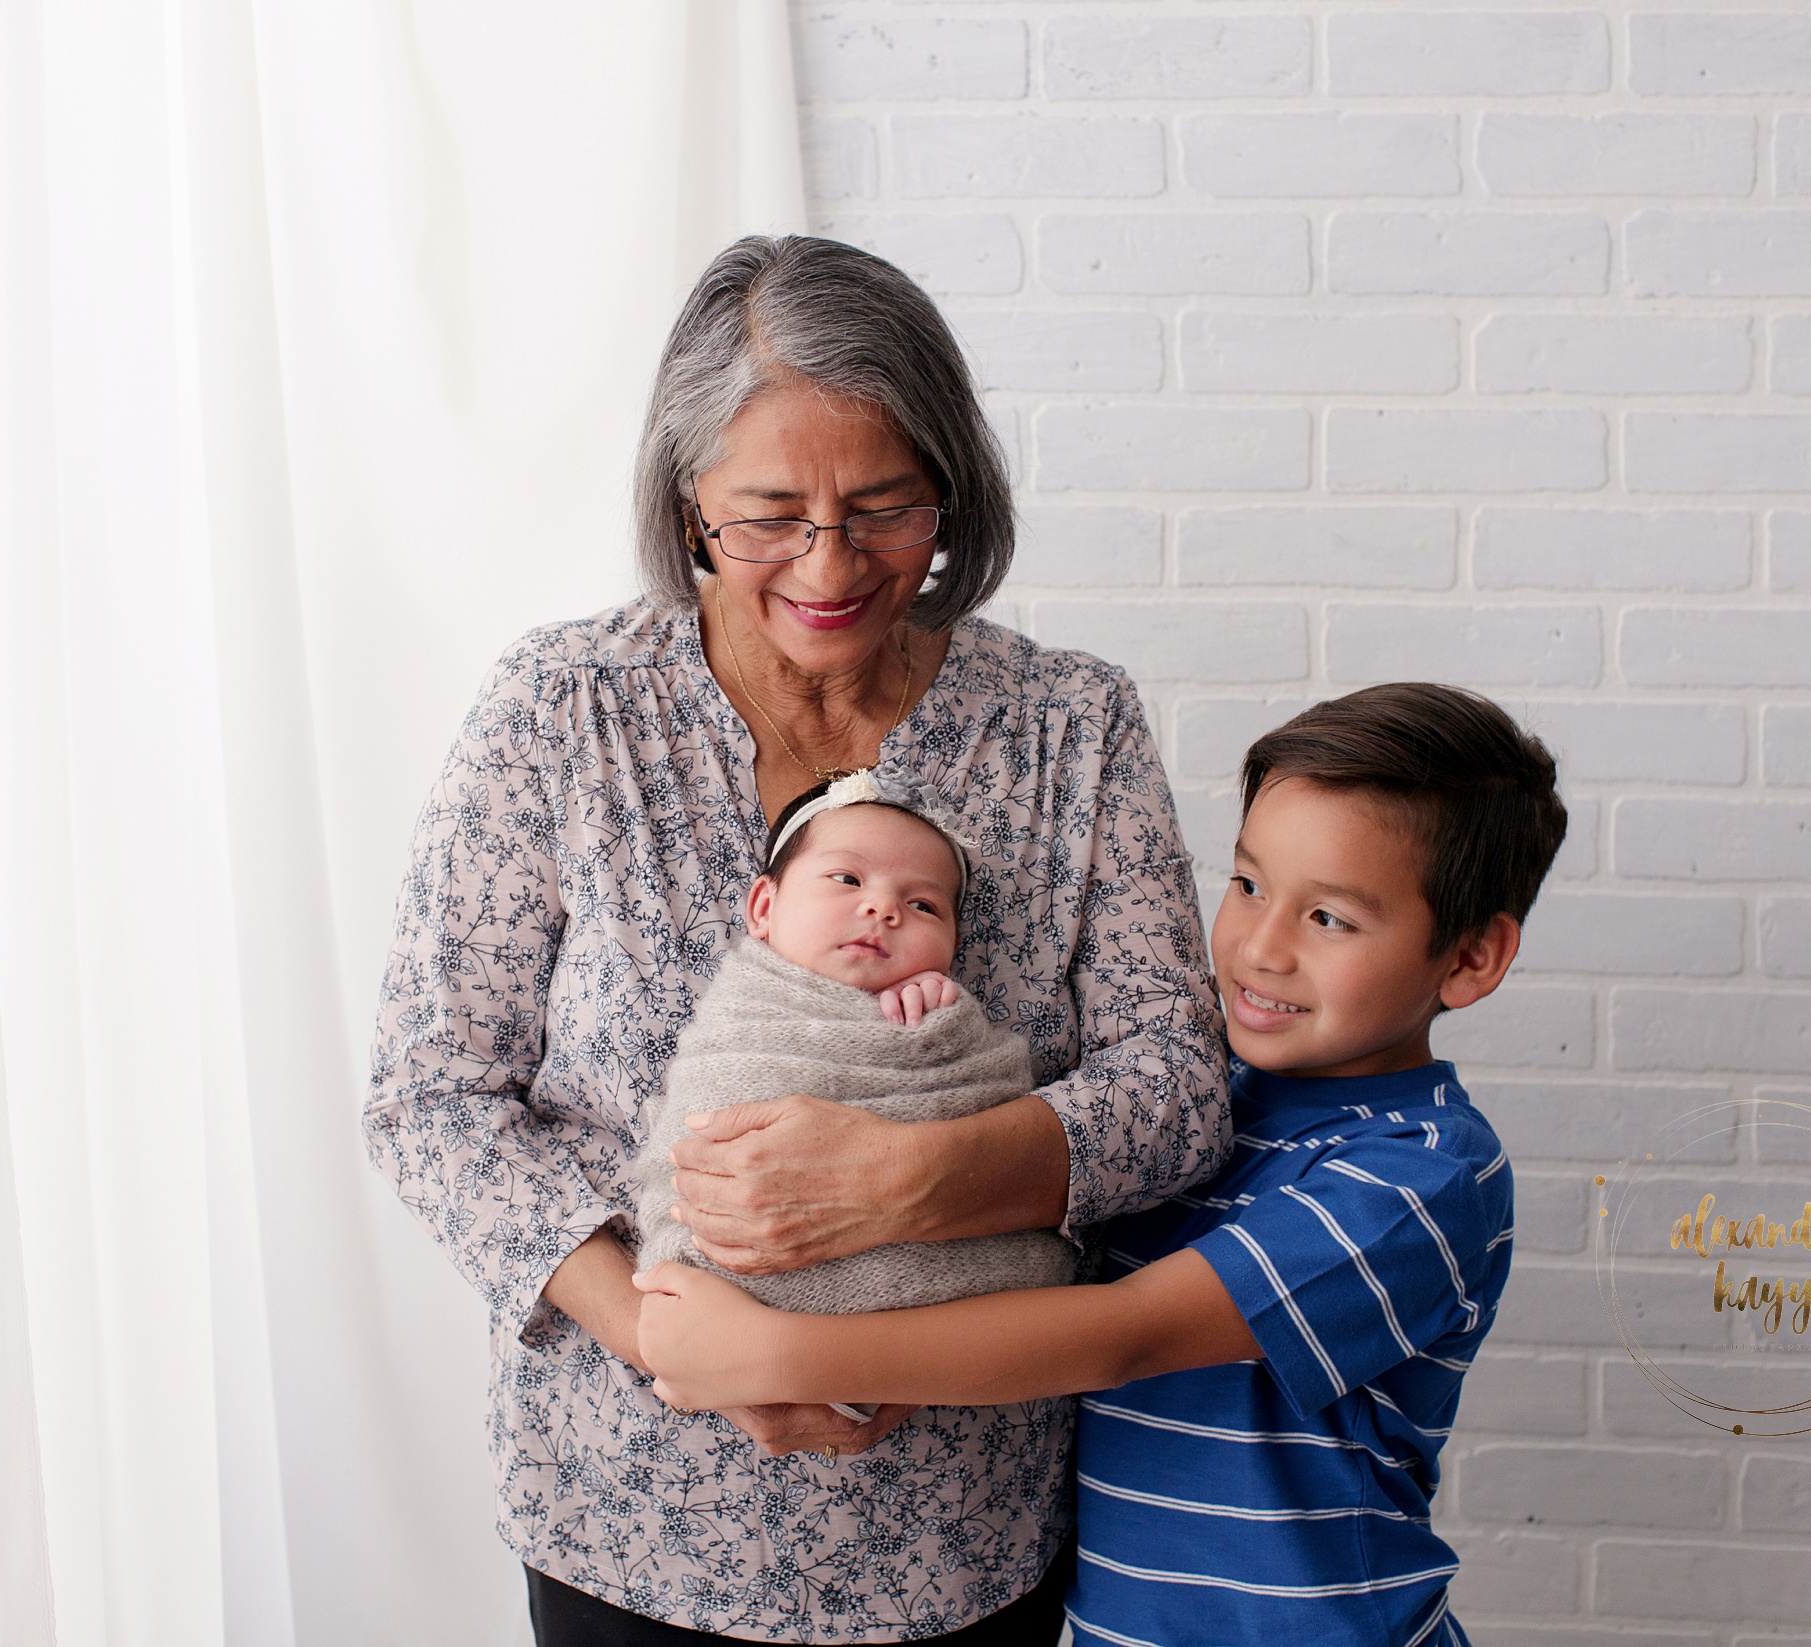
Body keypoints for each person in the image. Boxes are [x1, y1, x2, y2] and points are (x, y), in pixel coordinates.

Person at [363, 234, 1229, 1645]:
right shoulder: (561, 712)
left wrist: (920, 1178)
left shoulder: (1069, 724)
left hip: (967, 1525)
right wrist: (674, 1337)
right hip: (627, 1517)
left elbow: (1177, 1088)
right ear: (687, 499)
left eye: (883, 506)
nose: (829, 565)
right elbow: (429, 1095)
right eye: (769, 514)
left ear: (951, 490)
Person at [636, 684, 1569, 1647]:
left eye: (1328, 918)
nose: (1260, 946)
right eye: (1246, 885)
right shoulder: (1203, 1113)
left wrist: (773, 1354)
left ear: (1469, 957)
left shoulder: (1418, 1176)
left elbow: (1121, 1334)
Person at [632, 772, 1074, 1323]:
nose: (884, 909)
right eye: (847, 878)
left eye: (925, 907)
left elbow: (991, 1114)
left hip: (941, 1328)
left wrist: (943, 1025)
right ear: (764, 907)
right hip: (733, 1312)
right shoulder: (742, 1012)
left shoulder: (941, 1015)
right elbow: (696, 1134)